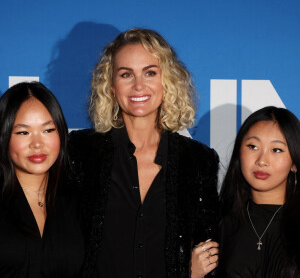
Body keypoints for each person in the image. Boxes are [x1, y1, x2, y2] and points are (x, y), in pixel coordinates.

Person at [69, 28, 220, 278]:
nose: (139, 85)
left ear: (167, 80)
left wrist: (186, 272)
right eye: (126, 74)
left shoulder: (198, 161)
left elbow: (208, 249)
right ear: (111, 84)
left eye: (150, 72)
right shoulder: (81, 152)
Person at [0, 82, 84, 277]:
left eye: (48, 130)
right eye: (23, 132)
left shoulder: (77, 200)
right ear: (4, 137)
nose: (37, 144)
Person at [219, 106, 300, 277]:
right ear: (239, 152)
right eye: (253, 146)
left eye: (276, 150)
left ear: (294, 162)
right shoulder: (218, 225)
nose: (262, 161)